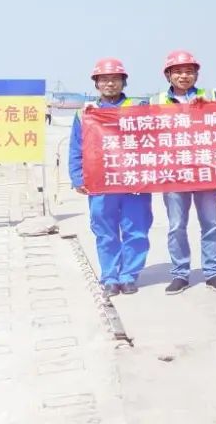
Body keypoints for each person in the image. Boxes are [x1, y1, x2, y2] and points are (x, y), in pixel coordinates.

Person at [69, 58, 152, 297]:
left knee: (136, 229)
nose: (110, 83)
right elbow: (76, 148)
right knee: (105, 231)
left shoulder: (139, 109)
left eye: (115, 79)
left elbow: (155, 141)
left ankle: (129, 276)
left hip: (134, 182)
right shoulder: (86, 113)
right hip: (101, 182)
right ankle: (110, 276)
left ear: (124, 82)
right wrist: (78, 178)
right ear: (96, 83)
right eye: (104, 79)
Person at [153, 50, 216, 295]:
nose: (184, 76)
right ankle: (180, 274)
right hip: (174, 173)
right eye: (178, 72)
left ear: (196, 74)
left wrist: (211, 107)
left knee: (211, 223)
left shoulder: (211, 97)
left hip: (206, 171)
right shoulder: (155, 102)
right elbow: (130, 126)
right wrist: (94, 111)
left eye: (189, 71)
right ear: (168, 75)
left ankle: (213, 272)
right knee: (177, 226)